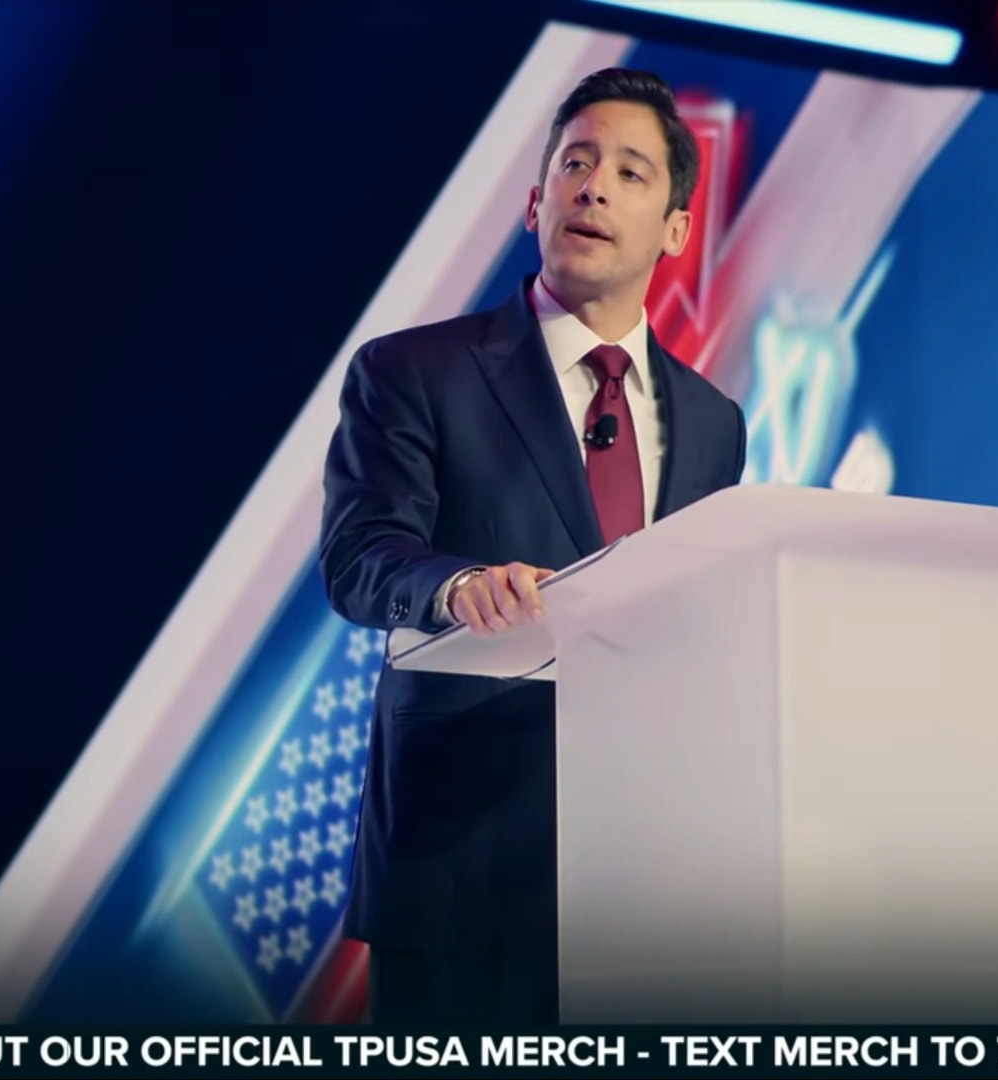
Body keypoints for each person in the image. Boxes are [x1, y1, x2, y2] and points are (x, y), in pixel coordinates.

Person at [317, 68, 747, 1024]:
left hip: (645, 870)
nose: (593, 188)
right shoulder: (413, 370)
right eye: (575, 164)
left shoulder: (715, 421)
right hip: (460, 855)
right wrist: (458, 585)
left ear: (676, 229)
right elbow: (360, 556)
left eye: (630, 173)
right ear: (534, 202)